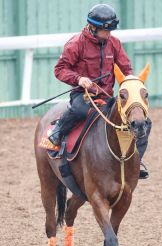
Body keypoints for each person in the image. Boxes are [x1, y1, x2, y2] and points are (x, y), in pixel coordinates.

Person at [48, 3, 151, 179]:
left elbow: (126, 69)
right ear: (93, 27)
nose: (109, 34)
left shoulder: (114, 43)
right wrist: (79, 79)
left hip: (108, 96)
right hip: (83, 94)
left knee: (145, 122)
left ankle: (135, 161)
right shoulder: (76, 44)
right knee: (80, 110)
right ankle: (58, 131)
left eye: (111, 30)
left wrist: (131, 84)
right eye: (106, 30)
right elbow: (60, 69)